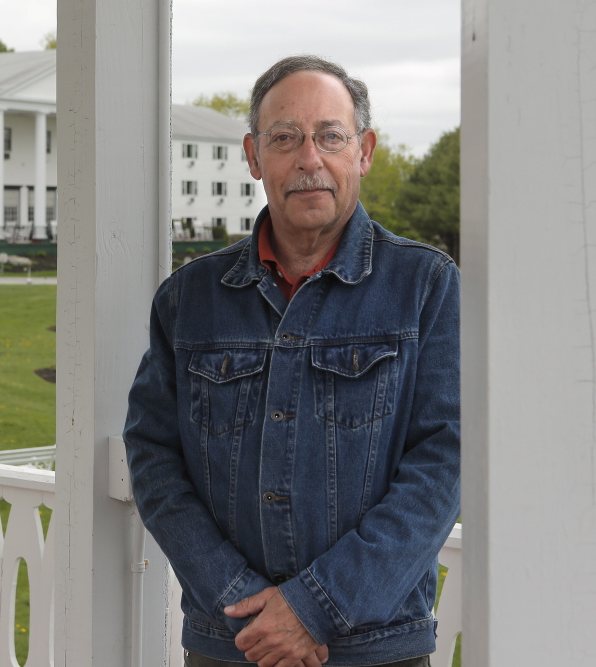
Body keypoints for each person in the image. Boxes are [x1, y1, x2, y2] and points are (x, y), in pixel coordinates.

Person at [123, 55, 460, 667]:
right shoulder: (189, 299)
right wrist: (242, 601)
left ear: (364, 152)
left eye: (331, 136)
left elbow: (445, 465)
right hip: (234, 645)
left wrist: (313, 608)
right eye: (285, 138)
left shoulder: (425, 287)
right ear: (254, 157)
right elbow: (153, 458)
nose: (310, 159)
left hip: (376, 649)